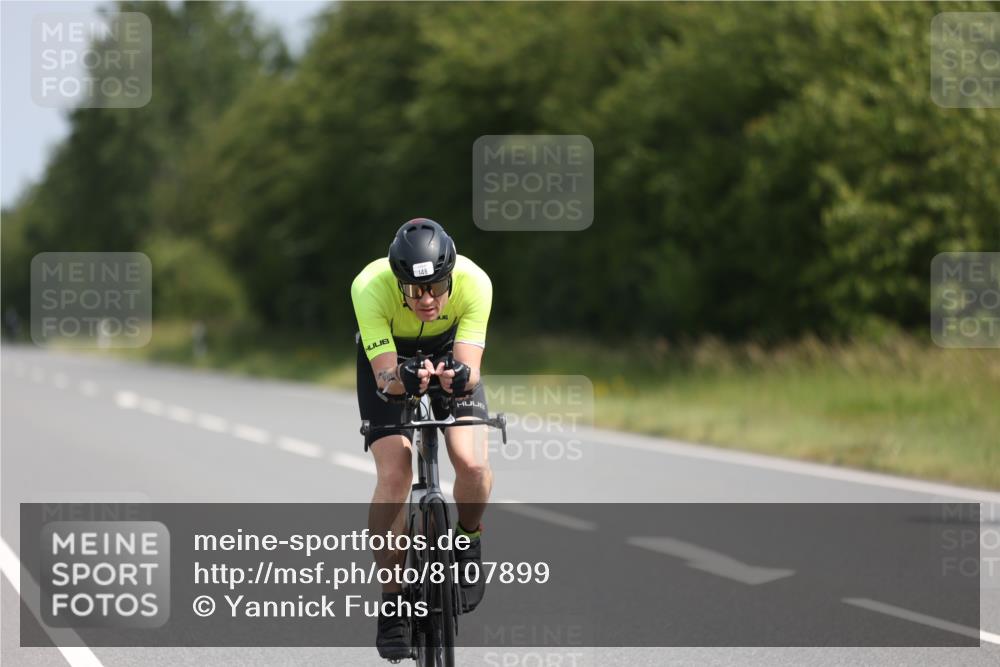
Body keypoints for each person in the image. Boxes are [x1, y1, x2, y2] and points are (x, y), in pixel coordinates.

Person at [351, 218, 494, 660]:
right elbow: (385, 377)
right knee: (395, 475)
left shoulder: (475, 282)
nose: (427, 300)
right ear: (398, 284)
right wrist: (402, 378)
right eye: (414, 291)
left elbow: (471, 370)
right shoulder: (369, 287)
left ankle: (467, 538)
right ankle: (393, 601)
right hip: (391, 360)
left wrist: (460, 378)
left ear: (451, 276)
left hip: (449, 353)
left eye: (436, 288)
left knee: (472, 463)